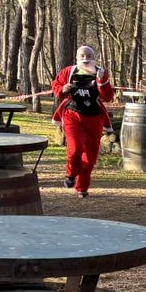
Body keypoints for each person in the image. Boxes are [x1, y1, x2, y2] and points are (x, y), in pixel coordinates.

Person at [51, 45, 115, 198]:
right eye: (82, 56)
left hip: (94, 117)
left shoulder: (100, 72)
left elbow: (107, 97)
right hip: (73, 115)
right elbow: (55, 85)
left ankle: (82, 188)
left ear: (94, 57)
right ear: (77, 58)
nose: (85, 59)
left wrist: (102, 80)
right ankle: (71, 174)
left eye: (88, 56)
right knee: (75, 148)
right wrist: (63, 89)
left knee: (90, 157)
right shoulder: (69, 71)